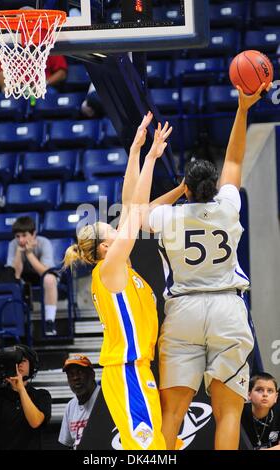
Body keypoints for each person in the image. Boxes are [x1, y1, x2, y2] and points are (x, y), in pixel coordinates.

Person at [147, 83, 271, 450]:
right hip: (226, 309)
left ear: (187, 188)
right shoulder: (228, 205)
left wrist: (179, 191)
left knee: (172, 414)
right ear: (215, 187)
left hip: (183, 310)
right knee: (229, 413)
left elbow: (142, 210)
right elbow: (233, 161)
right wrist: (243, 108)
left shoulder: (167, 218)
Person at [63, 113, 184, 450]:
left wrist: (135, 153)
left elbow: (133, 203)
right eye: (111, 230)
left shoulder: (120, 266)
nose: (118, 228)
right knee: (147, 451)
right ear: (105, 246)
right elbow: (134, 213)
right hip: (127, 368)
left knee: (154, 446)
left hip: (136, 368)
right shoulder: (109, 268)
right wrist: (150, 159)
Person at [0, 343, 52, 450]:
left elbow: (35, 422)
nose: (18, 364)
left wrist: (21, 389)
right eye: (14, 361)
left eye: (23, 360)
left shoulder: (41, 395)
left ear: (32, 365)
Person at [7, 216, 58, 336]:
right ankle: (21, 323)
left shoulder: (44, 242)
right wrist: (19, 252)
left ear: (33, 234)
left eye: (24, 235)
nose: (20, 240)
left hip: (42, 275)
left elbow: (45, 272)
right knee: (14, 283)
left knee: (49, 279)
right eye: (17, 236)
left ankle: (49, 322)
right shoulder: (13, 245)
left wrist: (29, 253)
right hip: (24, 277)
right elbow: (15, 274)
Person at [58, 354, 100, 450]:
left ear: (92, 374)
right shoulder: (70, 407)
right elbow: (67, 444)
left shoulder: (105, 398)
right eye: (71, 375)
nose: (75, 378)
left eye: (80, 372)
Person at [241, 372, 280, 450]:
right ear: (249, 395)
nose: (265, 394)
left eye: (270, 391)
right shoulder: (239, 413)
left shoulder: (278, 413)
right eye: (259, 390)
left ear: (276, 397)